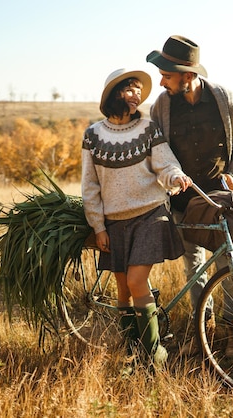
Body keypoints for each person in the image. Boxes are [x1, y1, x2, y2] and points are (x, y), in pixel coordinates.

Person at [146, 35, 233, 356]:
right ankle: (202, 330)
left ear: (189, 76)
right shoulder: (161, 107)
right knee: (193, 266)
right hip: (182, 203)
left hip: (221, 200)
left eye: (167, 75)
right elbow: (158, 150)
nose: (161, 81)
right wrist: (170, 177)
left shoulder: (226, 99)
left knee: (228, 264)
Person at [81, 68, 192, 372]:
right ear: (114, 94)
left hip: (149, 213)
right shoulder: (92, 135)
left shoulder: (148, 129)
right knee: (123, 290)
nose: (137, 95)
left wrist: (176, 176)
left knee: (135, 281)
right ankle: (132, 354)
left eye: (138, 90)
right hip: (114, 222)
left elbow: (165, 165)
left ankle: (155, 357)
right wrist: (98, 226)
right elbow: (89, 185)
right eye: (129, 89)